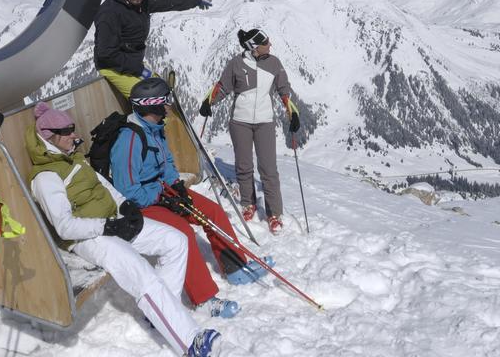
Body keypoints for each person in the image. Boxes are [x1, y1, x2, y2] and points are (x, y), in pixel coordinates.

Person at [27, 101, 223, 357]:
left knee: (175, 240)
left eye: (72, 128)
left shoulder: (72, 158)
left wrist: (125, 205)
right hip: (88, 237)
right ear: (49, 137)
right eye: (67, 131)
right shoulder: (46, 178)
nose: (74, 135)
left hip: (111, 220)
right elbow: (65, 227)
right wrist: (107, 226)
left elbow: (103, 186)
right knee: (140, 272)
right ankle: (190, 341)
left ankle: (162, 314)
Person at [110, 78, 270, 312]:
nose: (168, 106)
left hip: (163, 191)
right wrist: (161, 197)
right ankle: (203, 298)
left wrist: (178, 188)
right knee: (182, 231)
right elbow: (127, 191)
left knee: (213, 211)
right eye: (165, 102)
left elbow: (166, 163)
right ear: (151, 105)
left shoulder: (155, 128)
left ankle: (235, 267)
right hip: (141, 203)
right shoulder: (129, 140)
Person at [198, 28, 299, 235]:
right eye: (266, 43)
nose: (270, 45)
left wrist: (293, 113)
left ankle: (274, 213)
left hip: (265, 122)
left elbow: (284, 90)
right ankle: (248, 204)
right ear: (254, 47)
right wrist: (209, 102)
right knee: (244, 166)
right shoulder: (236, 63)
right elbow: (223, 87)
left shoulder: (274, 63)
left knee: (269, 170)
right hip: (240, 122)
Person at [94, 0, 212, 98]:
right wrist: (139, 70)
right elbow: (106, 54)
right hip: (112, 68)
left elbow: (168, 2)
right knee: (149, 98)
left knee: (160, 88)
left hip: (131, 64)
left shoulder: (142, 3)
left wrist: (196, 0)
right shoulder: (110, 13)